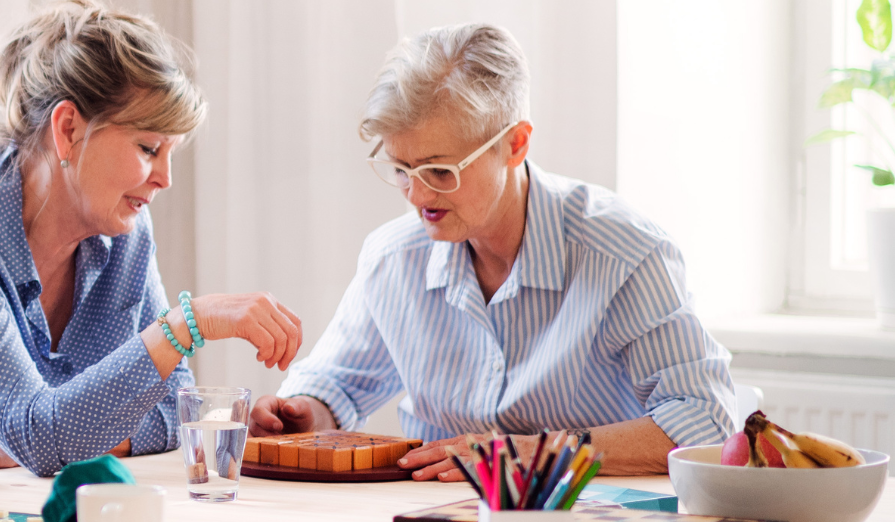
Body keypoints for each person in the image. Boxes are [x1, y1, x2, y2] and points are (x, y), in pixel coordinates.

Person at [0, 0, 306, 477]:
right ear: (67, 129)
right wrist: (189, 323)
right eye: (149, 148)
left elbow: (173, 412)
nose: (165, 178)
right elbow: (42, 439)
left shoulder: (124, 229)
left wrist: (41, 443)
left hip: (14, 507)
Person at [252, 23, 736, 478]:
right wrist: (300, 414)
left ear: (515, 145)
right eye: (401, 169)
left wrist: (532, 453)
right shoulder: (392, 259)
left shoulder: (624, 254)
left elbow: (705, 422)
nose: (418, 198)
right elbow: (336, 384)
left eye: (441, 173)